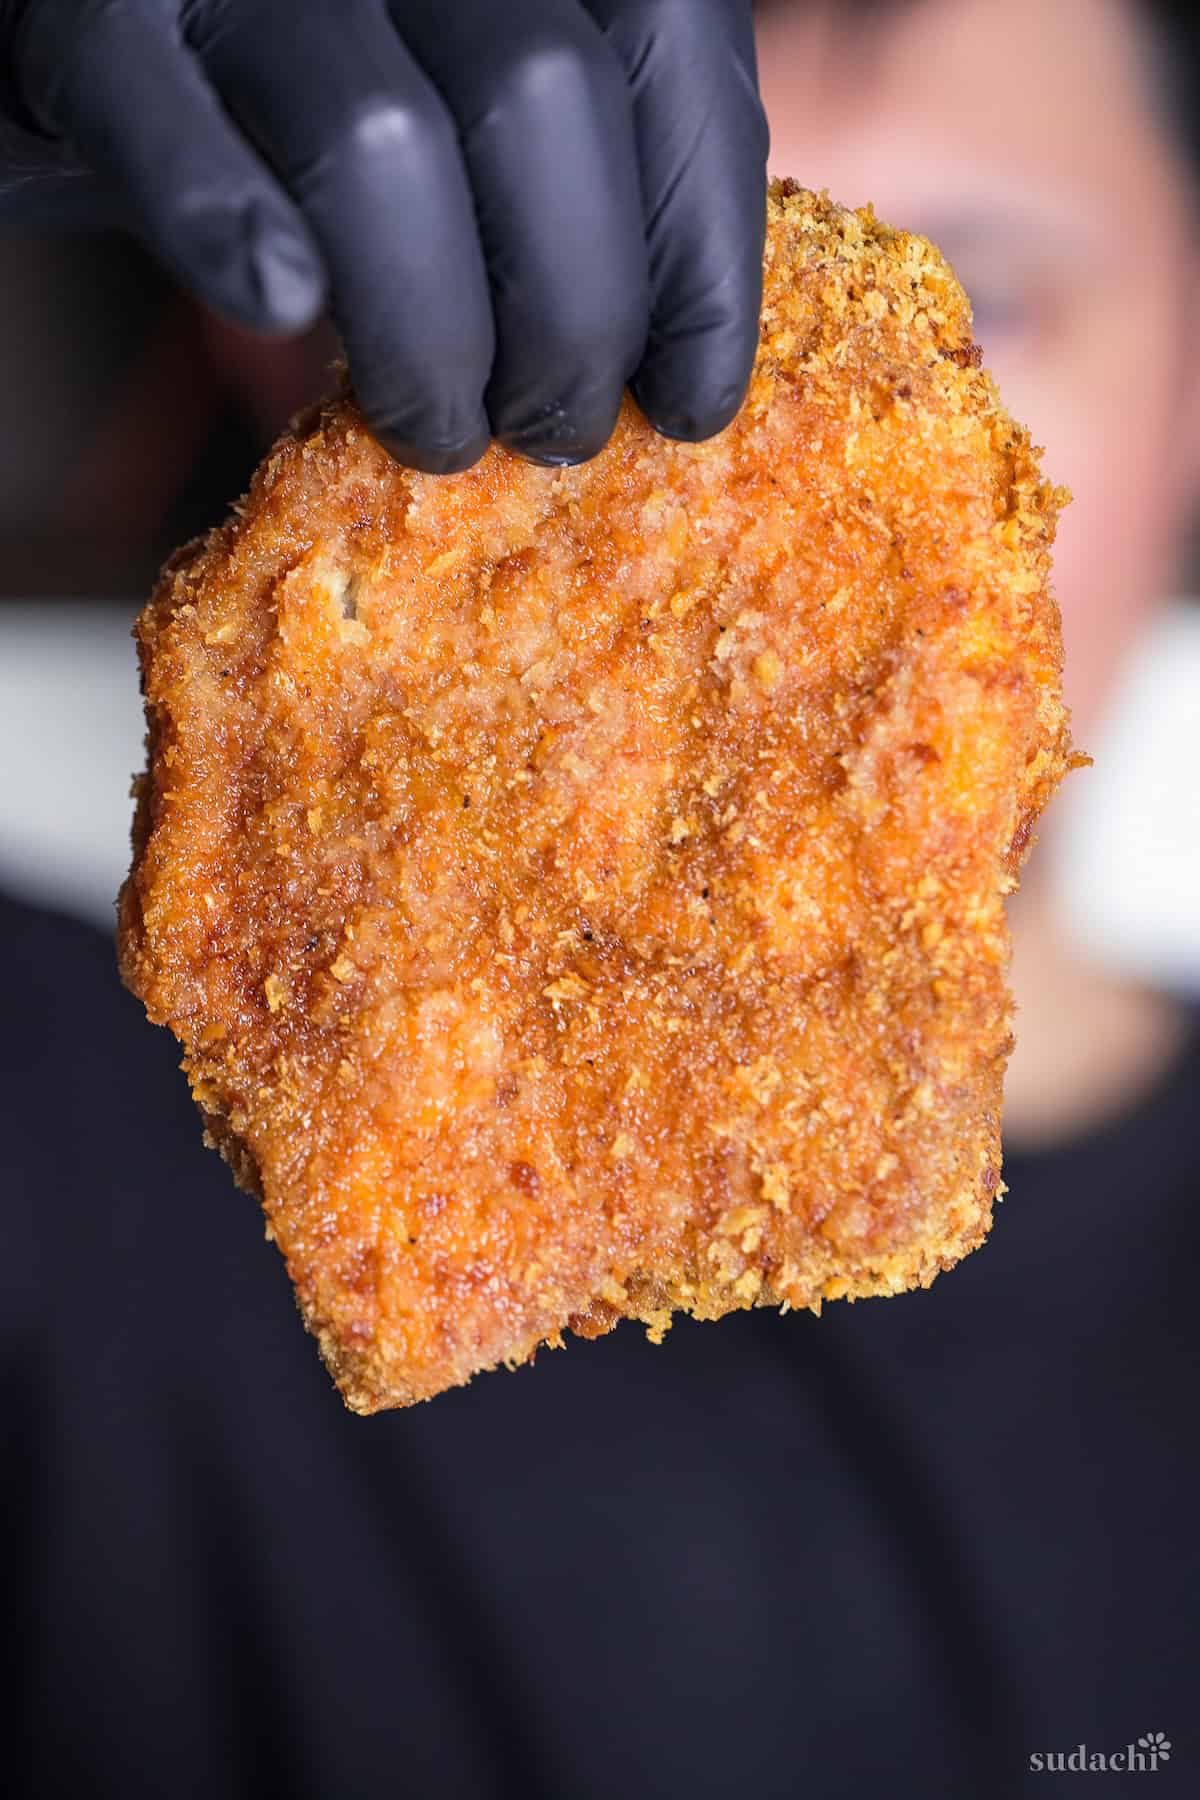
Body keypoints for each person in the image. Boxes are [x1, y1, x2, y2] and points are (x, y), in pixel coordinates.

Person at [3, 2, 1197, 1795]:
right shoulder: (52, 1173)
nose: (712, 451)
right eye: (528, 260)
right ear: (284, 353)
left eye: (985, 300)